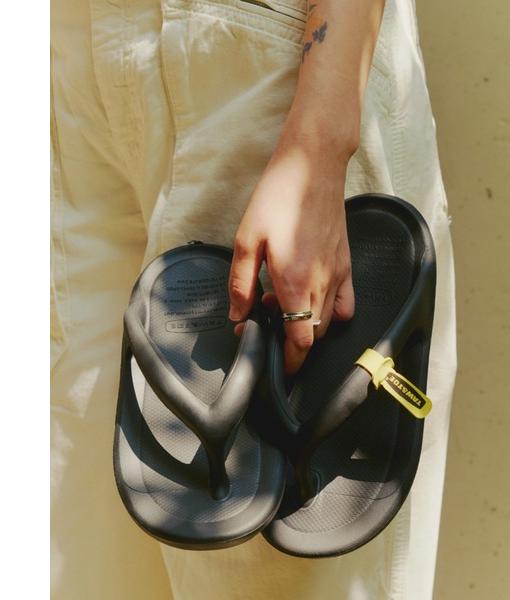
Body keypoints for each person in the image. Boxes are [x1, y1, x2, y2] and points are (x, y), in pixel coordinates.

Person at [51, 1, 457, 598]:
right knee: (89, 551)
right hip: (73, 67)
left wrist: (317, 146)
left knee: (283, 565)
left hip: (265, 51)